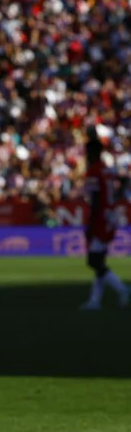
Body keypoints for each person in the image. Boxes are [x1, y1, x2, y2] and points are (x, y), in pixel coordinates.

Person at [80, 126, 128, 310]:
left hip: (100, 218)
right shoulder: (106, 170)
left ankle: (122, 289)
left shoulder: (94, 172)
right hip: (110, 216)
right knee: (100, 261)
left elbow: (95, 200)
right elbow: (115, 192)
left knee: (93, 261)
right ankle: (95, 301)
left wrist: (91, 225)